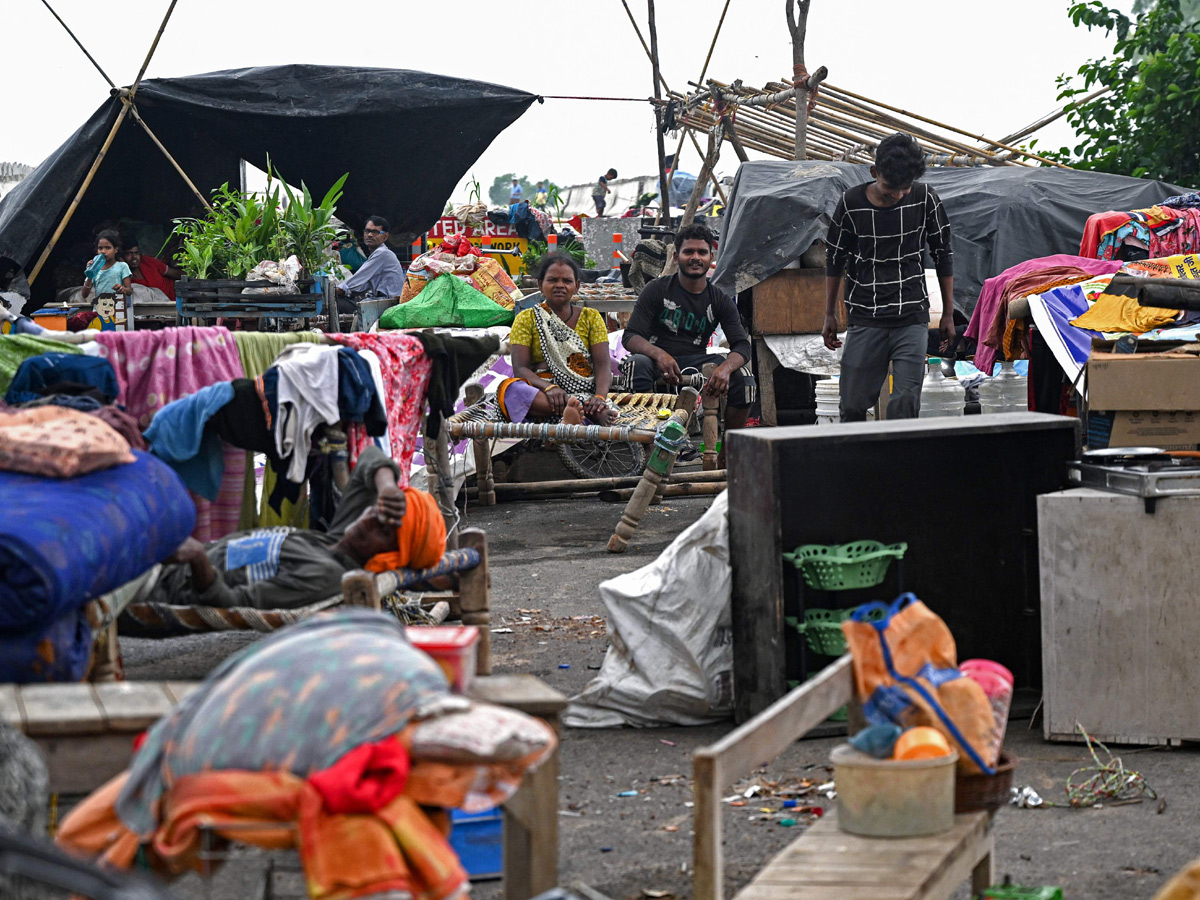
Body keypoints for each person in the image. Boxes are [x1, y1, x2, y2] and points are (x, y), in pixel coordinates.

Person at [121, 446, 441, 611]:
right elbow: (372, 456)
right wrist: (388, 488)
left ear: (387, 556)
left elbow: (230, 605)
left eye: (382, 530)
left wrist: (198, 560)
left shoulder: (326, 576)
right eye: (376, 511)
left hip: (154, 585)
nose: (368, 519)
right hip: (157, 554)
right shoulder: (335, 539)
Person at [823, 132, 955, 421]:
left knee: (906, 401)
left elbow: (943, 254)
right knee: (853, 406)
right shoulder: (851, 204)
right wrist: (830, 313)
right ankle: (855, 464)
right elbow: (835, 260)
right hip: (865, 317)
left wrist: (947, 313)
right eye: (890, 188)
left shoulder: (924, 198)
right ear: (874, 172)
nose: (897, 195)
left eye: (904, 189)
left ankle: (897, 464)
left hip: (911, 316)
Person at [622, 222, 756, 435]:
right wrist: (659, 354)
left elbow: (742, 346)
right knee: (635, 365)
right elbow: (630, 337)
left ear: (711, 257)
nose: (695, 257)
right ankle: (649, 444)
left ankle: (729, 453)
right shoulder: (656, 289)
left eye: (702, 252)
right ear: (676, 257)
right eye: (688, 252)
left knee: (746, 378)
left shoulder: (719, 299)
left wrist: (726, 368)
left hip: (696, 361)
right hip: (656, 361)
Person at [501, 252, 617, 426]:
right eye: (553, 280)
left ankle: (578, 410)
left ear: (577, 286)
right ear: (540, 284)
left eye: (567, 281)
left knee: (585, 400)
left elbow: (602, 365)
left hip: (583, 391)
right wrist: (550, 388)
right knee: (511, 390)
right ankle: (585, 413)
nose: (560, 285)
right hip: (541, 391)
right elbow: (521, 368)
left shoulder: (591, 317)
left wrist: (600, 397)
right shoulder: (526, 319)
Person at [336, 216, 406, 311]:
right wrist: (346, 291)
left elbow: (360, 277)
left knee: (335, 304)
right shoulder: (378, 254)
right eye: (367, 231)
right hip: (380, 301)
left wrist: (340, 290)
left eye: (375, 232)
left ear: (385, 236)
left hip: (387, 303)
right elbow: (363, 285)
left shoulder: (382, 253)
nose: (369, 235)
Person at [80, 230, 132, 303]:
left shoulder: (122, 266)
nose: (103, 251)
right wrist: (90, 275)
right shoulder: (95, 268)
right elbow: (84, 294)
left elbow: (129, 290)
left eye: (107, 248)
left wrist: (122, 289)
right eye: (100, 248)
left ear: (115, 250)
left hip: (117, 310)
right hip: (99, 310)